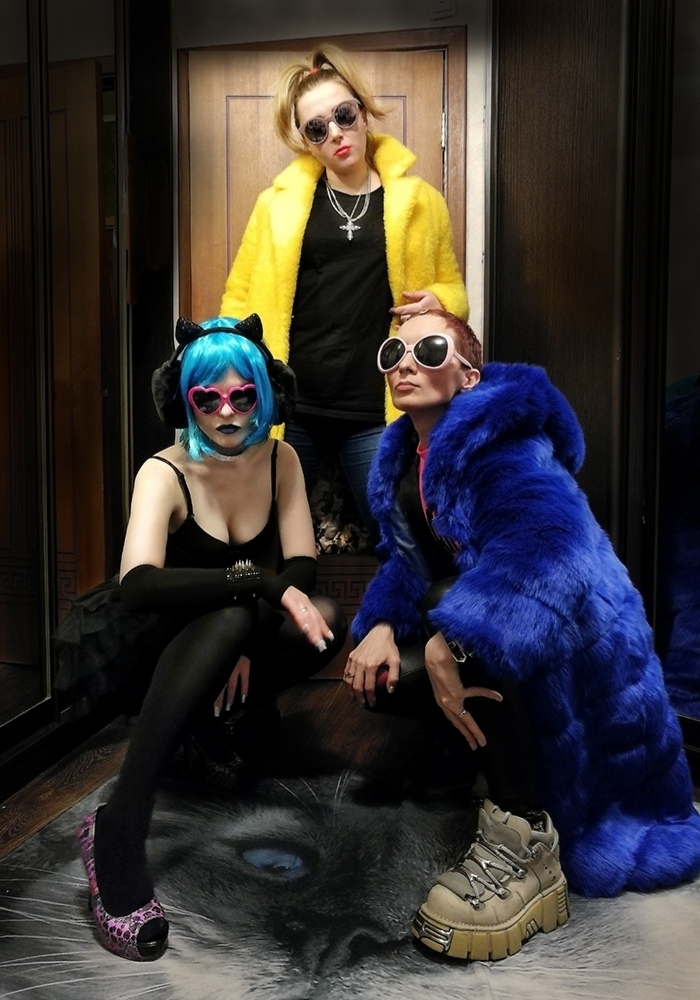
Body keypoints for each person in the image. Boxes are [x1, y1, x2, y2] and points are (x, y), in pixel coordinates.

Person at [345, 308, 700, 962]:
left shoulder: (504, 446)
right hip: (509, 632)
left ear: (468, 376)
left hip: (578, 647)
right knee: (385, 674)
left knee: (458, 620)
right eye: (394, 351)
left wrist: (451, 636)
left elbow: (548, 557)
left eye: (429, 349)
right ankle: (475, 758)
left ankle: (526, 845)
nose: (405, 363)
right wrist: (385, 623)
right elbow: (409, 563)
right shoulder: (400, 460)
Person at [75, 314, 347, 962]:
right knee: (231, 616)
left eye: (243, 396)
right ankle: (118, 825)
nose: (227, 412)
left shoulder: (279, 458)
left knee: (325, 617)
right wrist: (258, 586)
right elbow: (138, 585)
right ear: (184, 400)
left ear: (264, 394)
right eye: (207, 398)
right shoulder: (163, 472)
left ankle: (210, 730)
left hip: (232, 639)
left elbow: (303, 568)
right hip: (156, 644)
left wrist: (250, 631)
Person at [220, 44, 468, 532]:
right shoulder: (277, 206)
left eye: (343, 115)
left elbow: (453, 291)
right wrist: (230, 373)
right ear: (306, 141)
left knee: (404, 534)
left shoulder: (421, 203)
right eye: (317, 128)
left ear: (362, 112)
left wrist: (442, 301)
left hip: (374, 406)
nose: (335, 132)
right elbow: (240, 293)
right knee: (260, 534)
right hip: (290, 403)